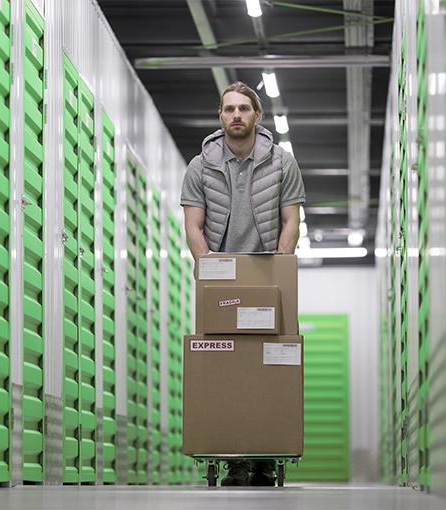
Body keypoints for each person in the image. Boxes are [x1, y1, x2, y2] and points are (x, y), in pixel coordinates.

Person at [180, 82, 306, 486]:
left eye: (244, 109)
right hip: (221, 277)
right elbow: (193, 228)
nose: (236, 115)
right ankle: (234, 457)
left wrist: (280, 268)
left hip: (269, 270)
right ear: (220, 116)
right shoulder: (200, 167)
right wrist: (211, 272)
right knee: (223, 365)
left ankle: (265, 457)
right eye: (229, 109)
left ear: (257, 116)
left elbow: (291, 221)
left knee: (272, 363)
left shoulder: (282, 162)